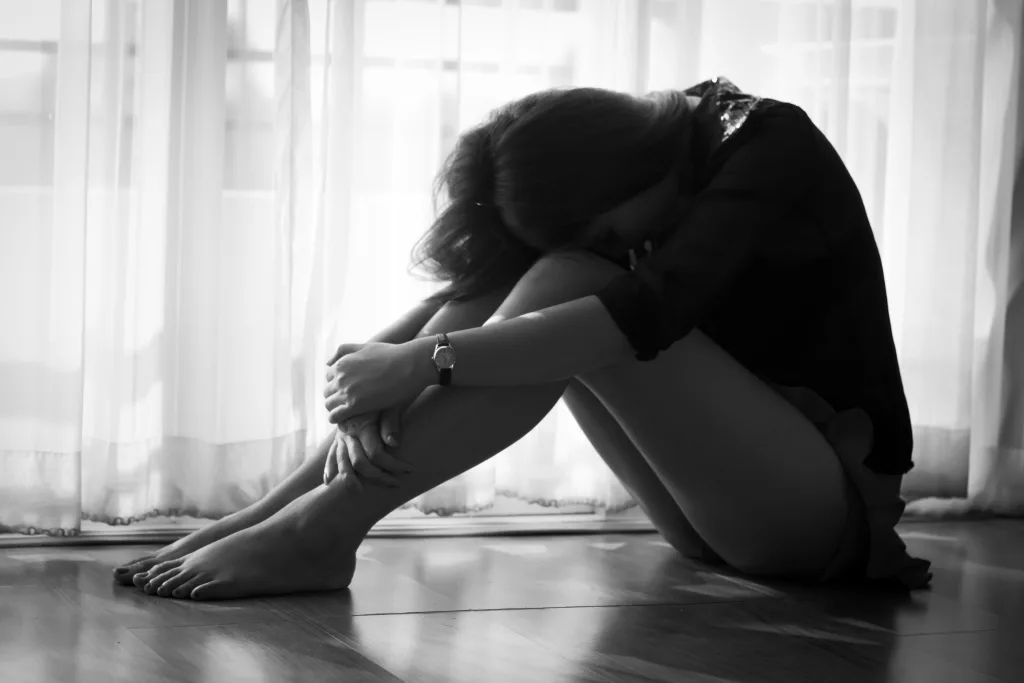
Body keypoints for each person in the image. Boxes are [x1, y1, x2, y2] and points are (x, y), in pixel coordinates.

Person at [113, 77, 931, 601]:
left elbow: (647, 314)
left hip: (825, 517)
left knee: (579, 285)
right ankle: (287, 512)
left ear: (629, 178)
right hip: (714, 517)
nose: (618, 236)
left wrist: (421, 363)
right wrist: (379, 370)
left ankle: (324, 531)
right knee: (554, 276)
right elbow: (472, 297)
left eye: (612, 223)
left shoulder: (768, 147)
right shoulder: (651, 149)